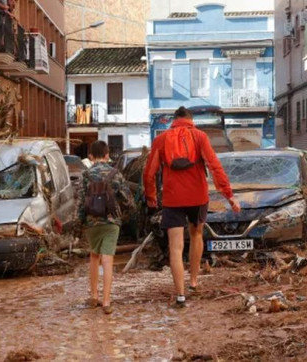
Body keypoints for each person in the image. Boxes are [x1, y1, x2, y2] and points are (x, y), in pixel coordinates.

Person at [143, 106, 241, 308]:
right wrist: (229, 196)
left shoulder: (161, 140)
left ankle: (180, 295)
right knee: (196, 235)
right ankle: (194, 280)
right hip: (198, 196)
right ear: (190, 119)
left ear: (174, 120)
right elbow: (214, 166)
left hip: (173, 199)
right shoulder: (200, 137)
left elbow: (149, 173)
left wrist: (151, 197)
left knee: (176, 248)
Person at [78, 140, 135, 314]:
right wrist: (125, 215)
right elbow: (128, 200)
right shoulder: (115, 174)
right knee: (108, 259)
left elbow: (80, 202)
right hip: (111, 222)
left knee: (94, 257)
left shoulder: (87, 175)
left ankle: (94, 296)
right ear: (107, 154)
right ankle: (106, 301)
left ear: (91, 156)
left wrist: (81, 221)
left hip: (92, 222)